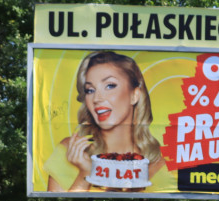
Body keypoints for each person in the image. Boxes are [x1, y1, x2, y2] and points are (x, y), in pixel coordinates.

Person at [45, 50, 173, 192]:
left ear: (134, 95)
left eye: (110, 86)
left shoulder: (159, 164)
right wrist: (85, 173)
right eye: (90, 90)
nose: (97, 98)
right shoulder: (69, 152)